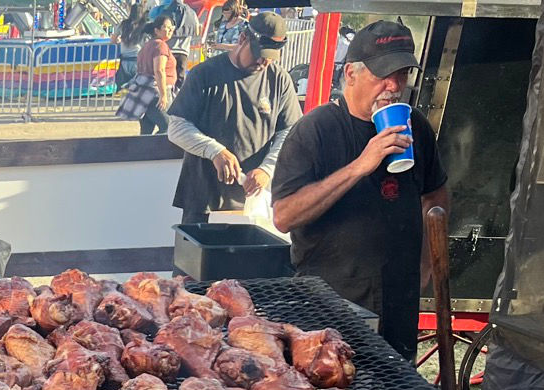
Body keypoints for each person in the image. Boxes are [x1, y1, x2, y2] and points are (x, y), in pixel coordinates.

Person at [271, 19, 447, 356]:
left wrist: (426, 261)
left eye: (403, 74)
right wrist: (358, 167)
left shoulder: (416, 126)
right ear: (351, 74)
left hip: (398, 301)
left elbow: (435, 194)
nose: (394, 86)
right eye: (383, 75)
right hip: (329, 304)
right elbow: (283, 216)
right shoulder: (315, 130)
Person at [164, 10, 297, 223]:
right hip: (203, 199)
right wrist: (215, 151)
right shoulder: (204, 74)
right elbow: (177, 127)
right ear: (243, 38)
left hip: (252, 205)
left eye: (270, 58)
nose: (263, 63)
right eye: (259, 54)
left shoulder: (279, 80)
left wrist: (267, 169)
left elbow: (290, 132)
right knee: (195, 257)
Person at [116, 14, 175, 135]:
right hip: (154, 92)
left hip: (144, 91)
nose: (170, 30)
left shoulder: (148, 45)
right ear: (157, 30)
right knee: (167, 127)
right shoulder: (160, 46)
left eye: (171, 27)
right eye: (166, 27)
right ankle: (154, 151)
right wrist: (163, 95)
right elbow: (159, 70)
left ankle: (140, 152)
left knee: (146, 130)